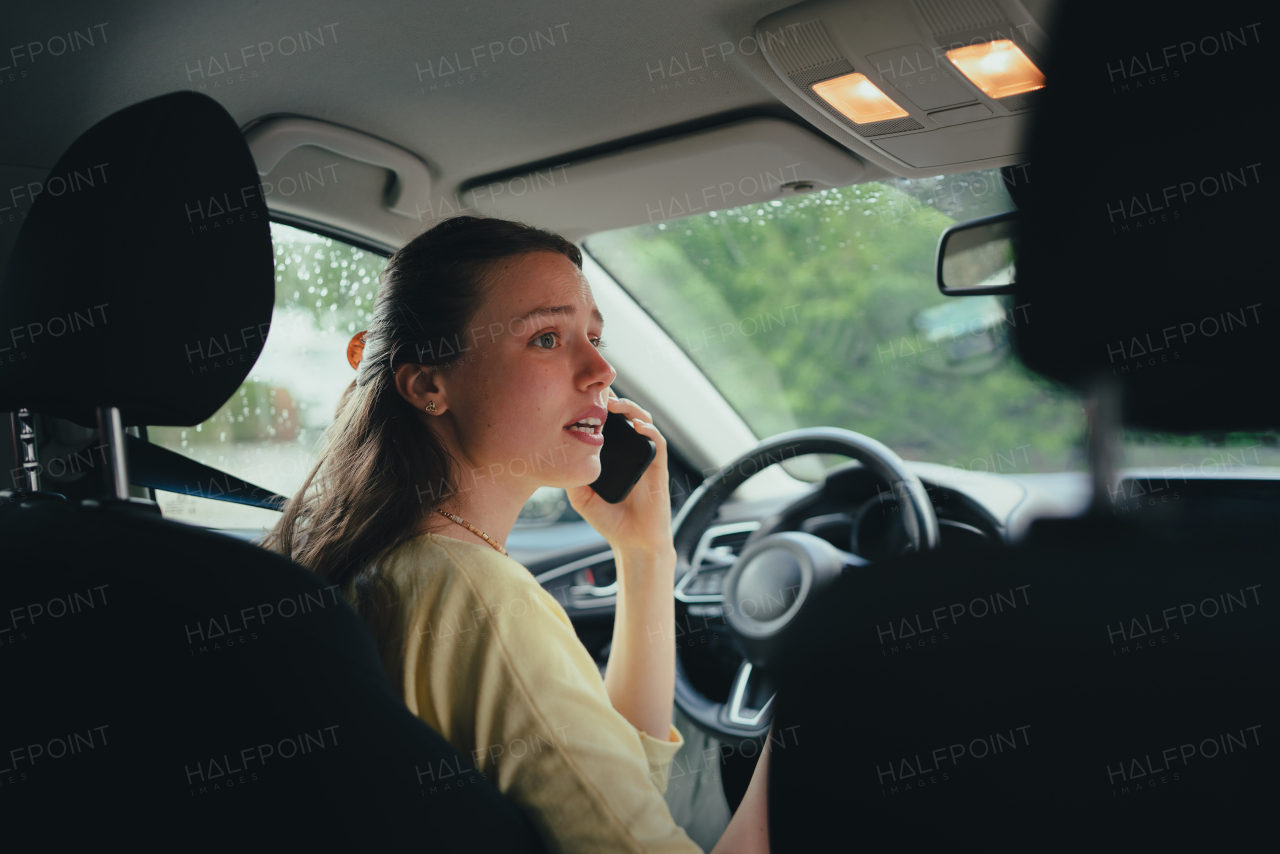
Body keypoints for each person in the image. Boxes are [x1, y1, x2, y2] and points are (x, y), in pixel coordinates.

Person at [267, 216, 772, 853]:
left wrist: (645, 556)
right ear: (429, 384)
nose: (600, 370)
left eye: (593, 337)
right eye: (546, 338)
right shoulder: (478, 596)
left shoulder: (380, 560)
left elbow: (617, 796)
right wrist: (811, 715)